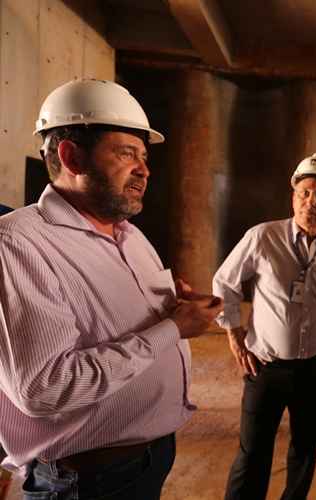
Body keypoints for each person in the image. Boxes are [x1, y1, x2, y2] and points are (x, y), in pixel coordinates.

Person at [0, 79, 223, 500]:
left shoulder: (129, 236)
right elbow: (47, 387)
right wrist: (172, 329)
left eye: (144, 157)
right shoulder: (18, 244)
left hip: (147, 459)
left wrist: (170, 309)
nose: (145, 169)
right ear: (71, 155)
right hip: (88, 481)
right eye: (127, 154)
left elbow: (113, 323)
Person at [213, 153, 316, 500]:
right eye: (305, 193)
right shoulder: (263, 237)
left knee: (305, 450)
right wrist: (236, 337)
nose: (311, 202)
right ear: (293, 195)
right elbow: (225, 284)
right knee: (253, 453)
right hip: (265, 365)